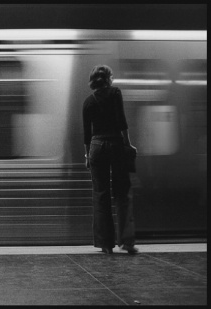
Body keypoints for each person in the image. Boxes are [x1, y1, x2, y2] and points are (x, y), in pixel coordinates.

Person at [82, 65, 138, 255]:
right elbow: (121, 121)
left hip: (96, 147)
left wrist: (87, 155)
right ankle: (127, 242)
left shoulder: (88, 102)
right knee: (122, 192)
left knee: (100, 195)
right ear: (108, 79)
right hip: (115, 144)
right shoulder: (115, 93)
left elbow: (86, 134)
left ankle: (106, 244)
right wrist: (128, 144)